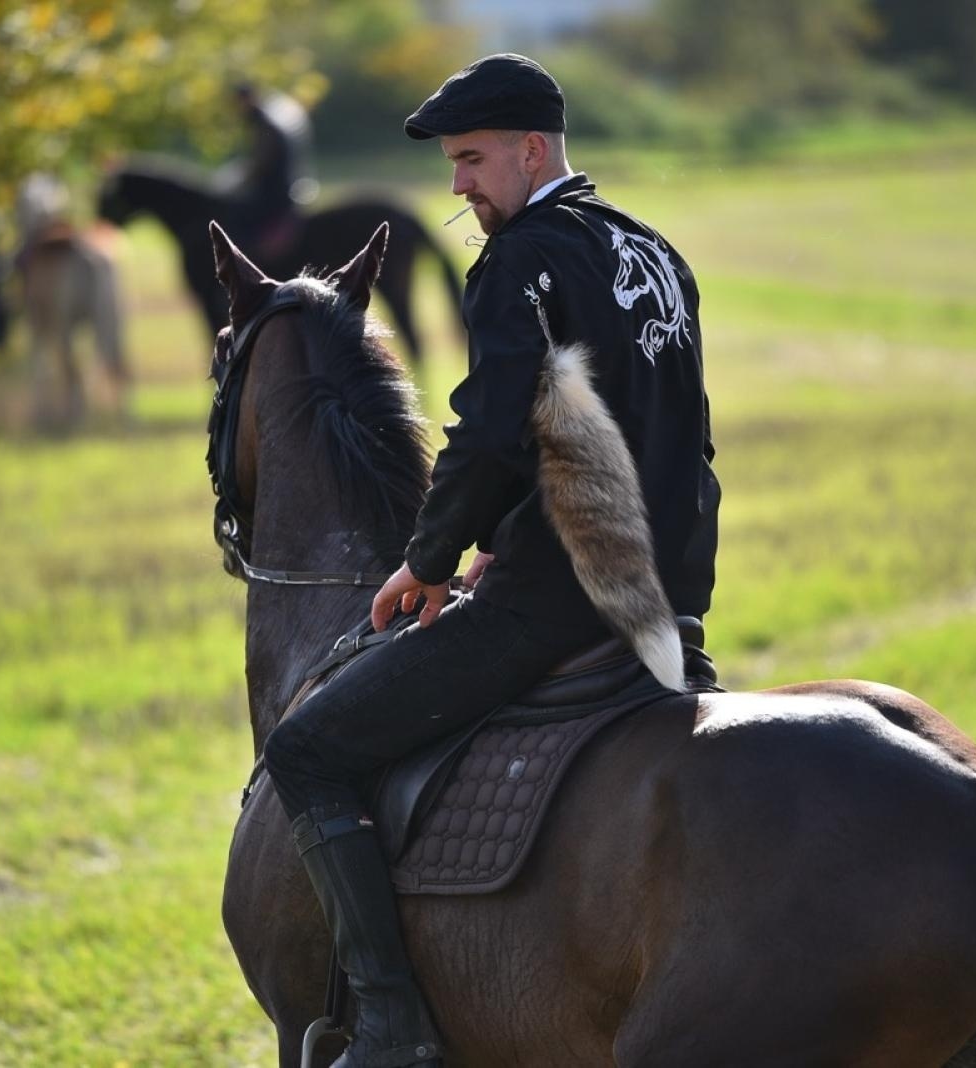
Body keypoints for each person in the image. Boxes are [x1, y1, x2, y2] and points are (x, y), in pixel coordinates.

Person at [260, 54, 720, 1067]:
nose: (458, 186)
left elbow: (493, 431)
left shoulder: (521, 262)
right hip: (662, 611)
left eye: (471, 160)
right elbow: (680, 440)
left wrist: (428, 561)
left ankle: (386, 1027)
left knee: (307, 753)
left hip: (554, 605)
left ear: (530, 148)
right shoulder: (650, 251)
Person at [226, 82, 316, 259]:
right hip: (280, 187)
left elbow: (261, 161)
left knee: (238, 218)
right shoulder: (267, 119)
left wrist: (236, 182)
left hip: (275, 192)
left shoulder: (265, 124)